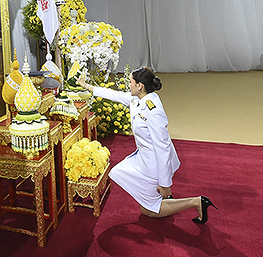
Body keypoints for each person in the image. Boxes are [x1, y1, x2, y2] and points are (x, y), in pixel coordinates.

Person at [78, 67, 217, 223]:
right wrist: (87, 87)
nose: (128, 85)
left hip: (154, 164)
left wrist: (165, 183)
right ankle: (163, 197)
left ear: (139, 86)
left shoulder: (153, 109)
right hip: (142, 157)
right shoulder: (138, 99)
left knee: (148, 211)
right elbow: (115, 95)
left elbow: (162, 146)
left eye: (130, 82)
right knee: (118, 172)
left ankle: (196, 202)